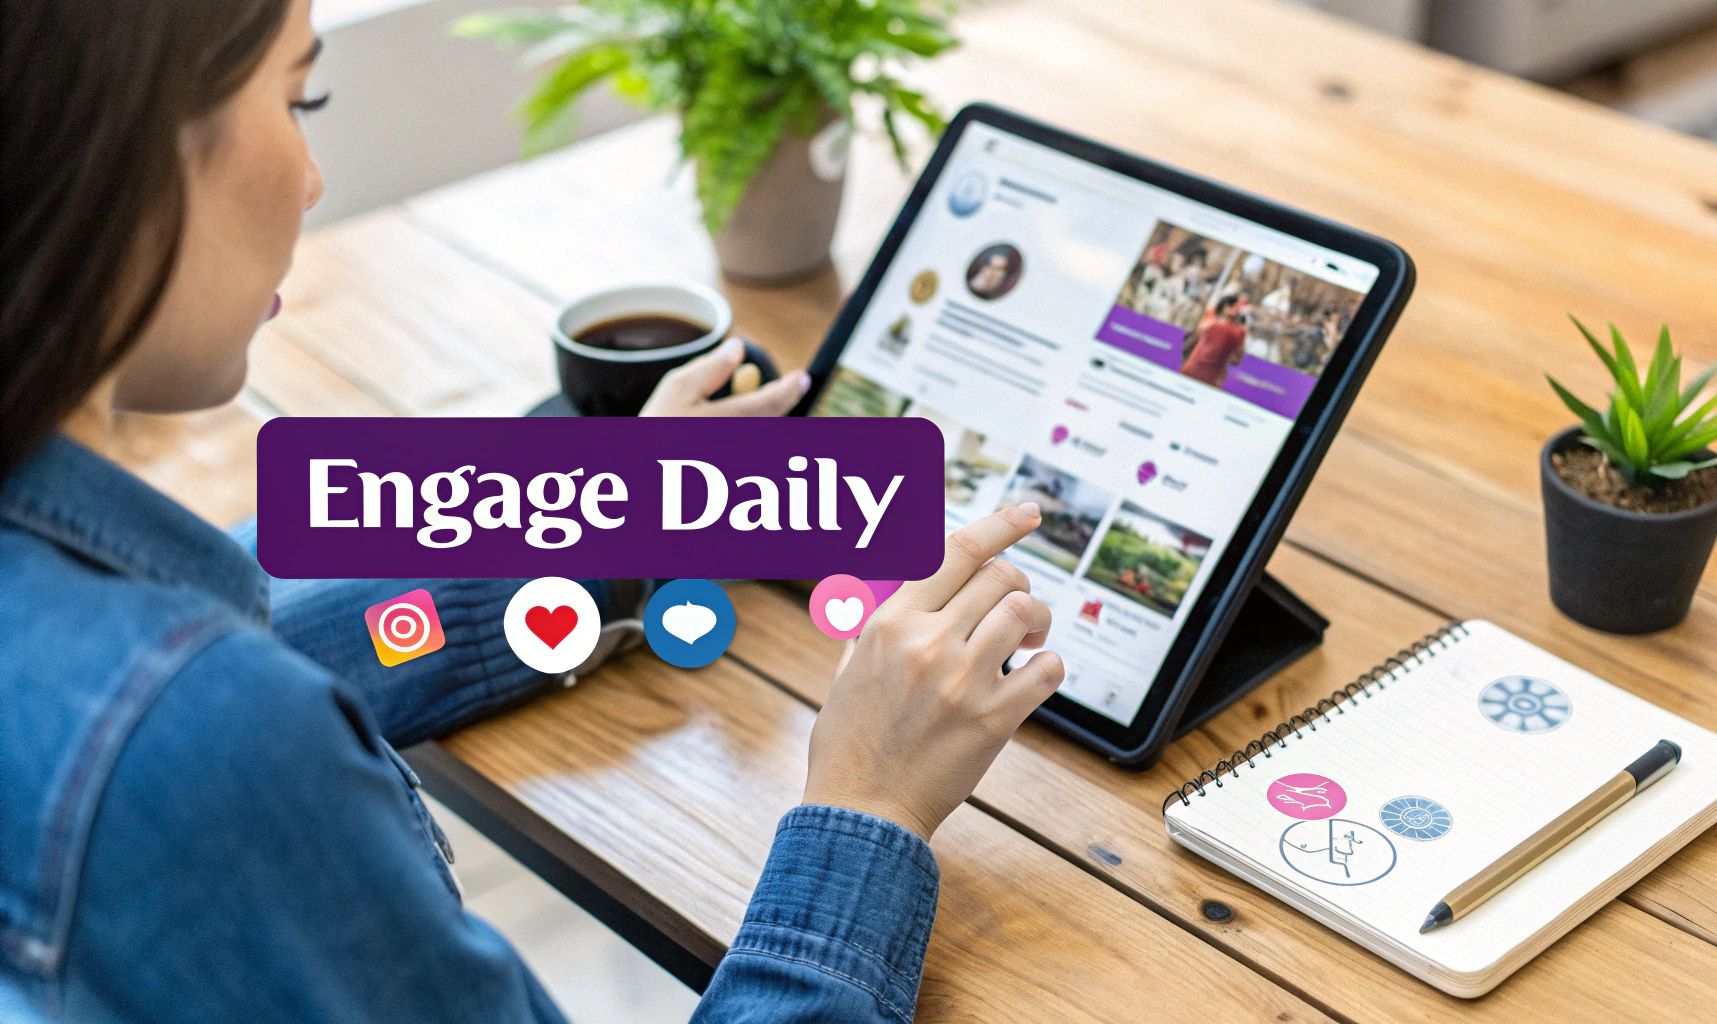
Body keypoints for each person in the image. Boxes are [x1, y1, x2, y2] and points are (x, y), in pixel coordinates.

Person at [0, 1, 1066, 1021]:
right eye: (297, 99)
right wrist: (868, 807)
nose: (315, 179)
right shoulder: (199, 742)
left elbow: (254, 631)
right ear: (110, 145)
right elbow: (210, 711)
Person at [1182, 295, 1250, 388]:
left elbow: (1237, 359)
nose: (1236, 309)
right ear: (1225, 307)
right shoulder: (1210, 323)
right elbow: (1236, 360)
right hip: (1204, 375)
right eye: (1233, 306)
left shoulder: (1209, 323)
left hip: (1204, 375)